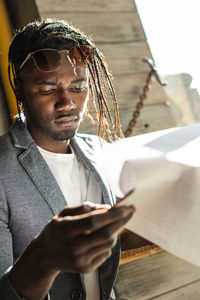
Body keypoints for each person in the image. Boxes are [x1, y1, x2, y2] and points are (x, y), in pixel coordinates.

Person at [0, 19, 135, 300]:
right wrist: (44, 257)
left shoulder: (98, 151)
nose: (67, 103)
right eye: (48, 90)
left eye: (78, 87)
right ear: (20, 87)